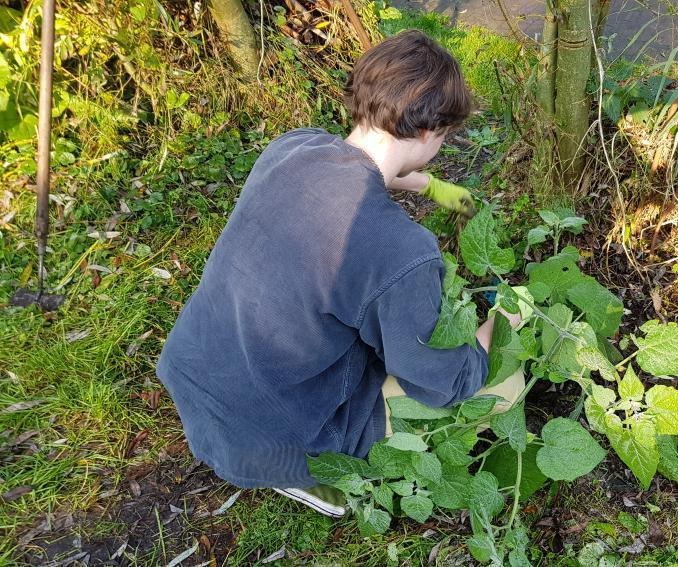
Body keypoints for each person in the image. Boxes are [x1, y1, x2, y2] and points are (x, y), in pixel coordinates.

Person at [156, 29, 524, 517]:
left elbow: (363, 164)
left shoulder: (291, 148)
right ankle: (307, 473)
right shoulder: (405, 251)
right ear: (429, 133)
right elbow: (437, 380)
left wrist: (428, 185)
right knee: (503, 387)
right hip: (276, 436)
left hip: (195, 379)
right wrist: (501, 326)